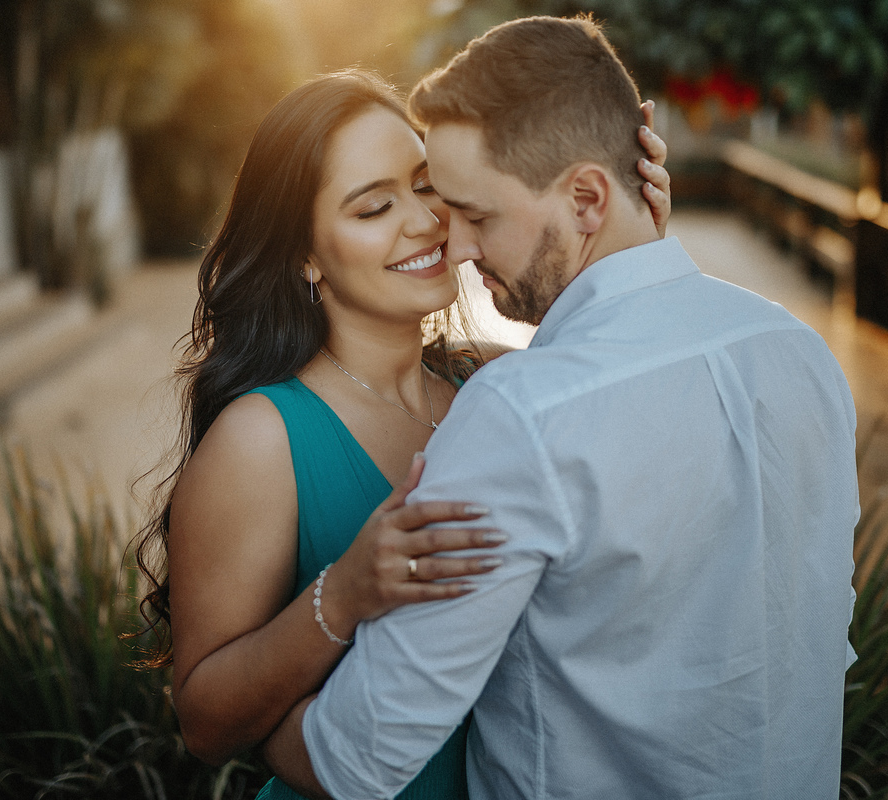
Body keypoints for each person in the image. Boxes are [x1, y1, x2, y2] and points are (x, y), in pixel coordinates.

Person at [262, 15, 860, 800]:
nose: (460, 248)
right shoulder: (798, 353)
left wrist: (240, 722)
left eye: (478, 215)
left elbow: (356, 758)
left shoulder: (520, 414)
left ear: (587, 196)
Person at [132, 68, 673, 799]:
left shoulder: (497, 383)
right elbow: (204, 723)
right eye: (373, 207)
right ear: (305, 255)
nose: (423, 221)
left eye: (425, 184)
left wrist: (627, 240)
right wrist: (346, 594)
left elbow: (643, 389)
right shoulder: (262, 439)